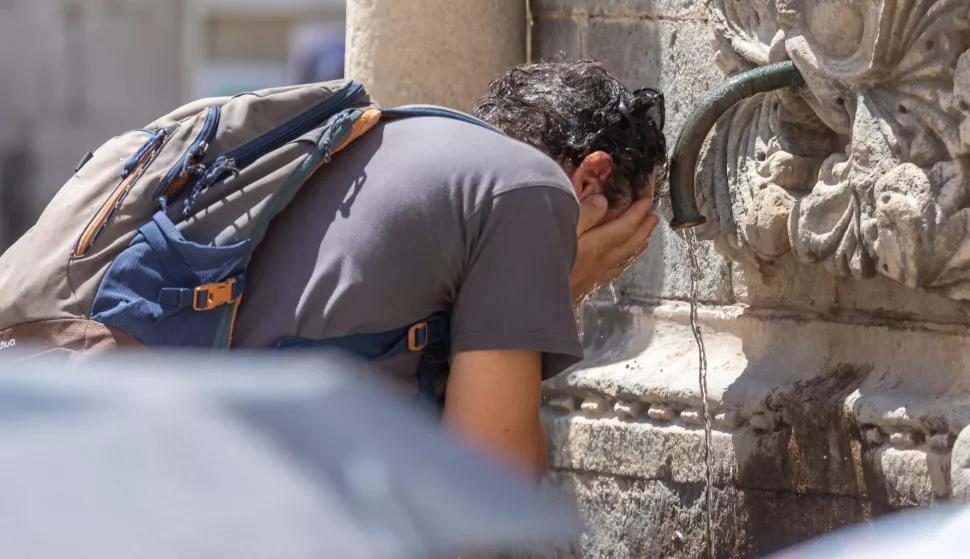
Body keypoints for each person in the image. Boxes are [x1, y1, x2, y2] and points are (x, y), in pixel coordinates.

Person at [233, 60, 666, 479]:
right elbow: (494, 480)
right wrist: (562, 287)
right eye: (617, 243)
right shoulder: (530, 189)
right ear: (590, 180)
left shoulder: (398, 138)